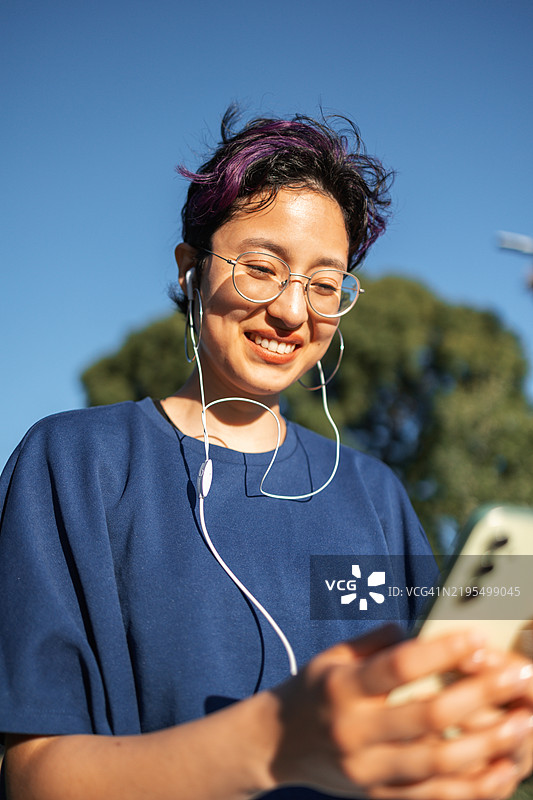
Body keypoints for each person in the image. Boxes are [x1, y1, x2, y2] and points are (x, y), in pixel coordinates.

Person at [1, 107, 532, 800]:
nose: (291, 311)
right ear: (191, 271)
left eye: (323, 284)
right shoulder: (74, 464)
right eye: (260, 267)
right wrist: (275, 743)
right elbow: (34, 777)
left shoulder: (375, 494)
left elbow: (432, 721)